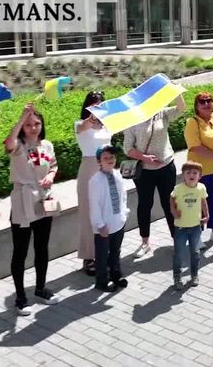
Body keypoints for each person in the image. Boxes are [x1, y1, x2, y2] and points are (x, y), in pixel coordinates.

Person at [4, 103, 60, 315]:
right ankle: (20, 296)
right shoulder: (18, 146)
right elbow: (9, 142)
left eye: (36, 123)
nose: (33, 127)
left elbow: (53, 165)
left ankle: (40, 288)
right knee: (20, 251)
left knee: (42, 246)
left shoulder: (47, 145)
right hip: (22, 200)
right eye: (28, 125)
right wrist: (21, 118)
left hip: (43, 199)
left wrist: (51, 176)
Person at [123, 92, 186, 258]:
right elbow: (127, 147)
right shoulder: (132, 120)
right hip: (144, 171)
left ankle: (176, 239)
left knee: (169, 203)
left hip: (166, 166)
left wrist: (176, 92)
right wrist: (144, 158)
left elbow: (181, 109)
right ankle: (145, 242)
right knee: (145, 204)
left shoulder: (162, 113)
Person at [184, 92, 213, 246]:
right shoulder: (193, 122)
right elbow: (195, 147)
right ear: (197, 106)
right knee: (197, 204)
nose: (207, 104)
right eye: (202, 102)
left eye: (209, 101)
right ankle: (196, 236)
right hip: (199, 173)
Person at [75, 91, 111, 275]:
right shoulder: (81, 124)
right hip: (89, 167)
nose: (98, 107)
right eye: (94, 104)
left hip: (106, 168)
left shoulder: (107, 126)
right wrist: (91, 118)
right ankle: (88, 257)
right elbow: (81, 127)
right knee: (88, 214)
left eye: (100, 104)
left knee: (105, 213)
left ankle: (104, 253)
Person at [87, 145, 129, 293]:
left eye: (112, 157)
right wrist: (100, 225)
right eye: (106, 158)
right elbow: (95, 205)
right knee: (102, 255)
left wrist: (124, 213)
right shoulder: (95, 181)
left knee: (115, 252)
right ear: (99, 161)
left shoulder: (117, 175)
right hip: (104, 225)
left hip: (118, 221)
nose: (110, 160)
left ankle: (116, 276)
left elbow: (123, 196)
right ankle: (102, 282)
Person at [170, 161, 209, 290]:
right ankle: (177, 276)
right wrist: (173, 211)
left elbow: (203, 202)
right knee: (178, 254)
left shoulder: (201, 188)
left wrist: (206, 215)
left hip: (195, 227)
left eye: (195, 173)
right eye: (188, 172)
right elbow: (172, 199)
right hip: (180, 228)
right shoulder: (178, 188)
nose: (191, 175)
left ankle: (194, 274)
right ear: (183, 175)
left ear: (200, 176)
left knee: (195, 253)